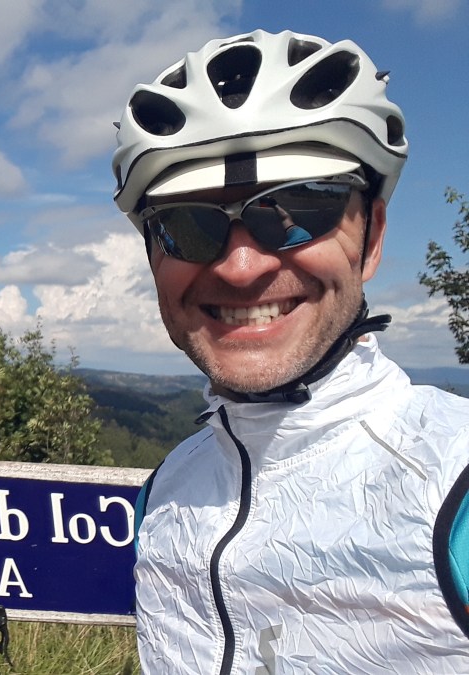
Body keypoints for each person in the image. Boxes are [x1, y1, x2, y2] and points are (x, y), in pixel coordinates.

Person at [114, 30, 469, 673]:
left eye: (300, 209)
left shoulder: (457, 486)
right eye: (188, 225)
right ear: (153, 257)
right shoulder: (164, 495)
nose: (241, 267)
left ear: (372, 238)